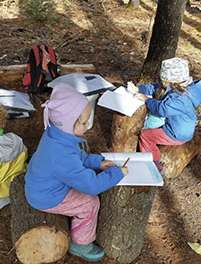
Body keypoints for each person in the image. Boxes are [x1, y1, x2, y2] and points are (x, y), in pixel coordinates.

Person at [24, 83, 127, 262]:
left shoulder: (55, 134)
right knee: (90, 204)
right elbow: (91, 186)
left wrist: (98, 163)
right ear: (69, 124)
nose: (88, 125)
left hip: (41, 186)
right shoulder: (61, 154)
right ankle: (81, 244)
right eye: (84, 122)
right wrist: (116, 174)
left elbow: (78, 156)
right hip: (47, 197)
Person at [128, 57, 201, 171]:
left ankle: (153, 163)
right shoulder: (182, 87)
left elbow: (162, 109)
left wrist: (146, 99)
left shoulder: (180, 99)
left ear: (171, 81)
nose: (162, 82)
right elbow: (156, 88)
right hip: (179, 125)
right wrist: (138, 89)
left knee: (146, 135)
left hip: (178, 133)